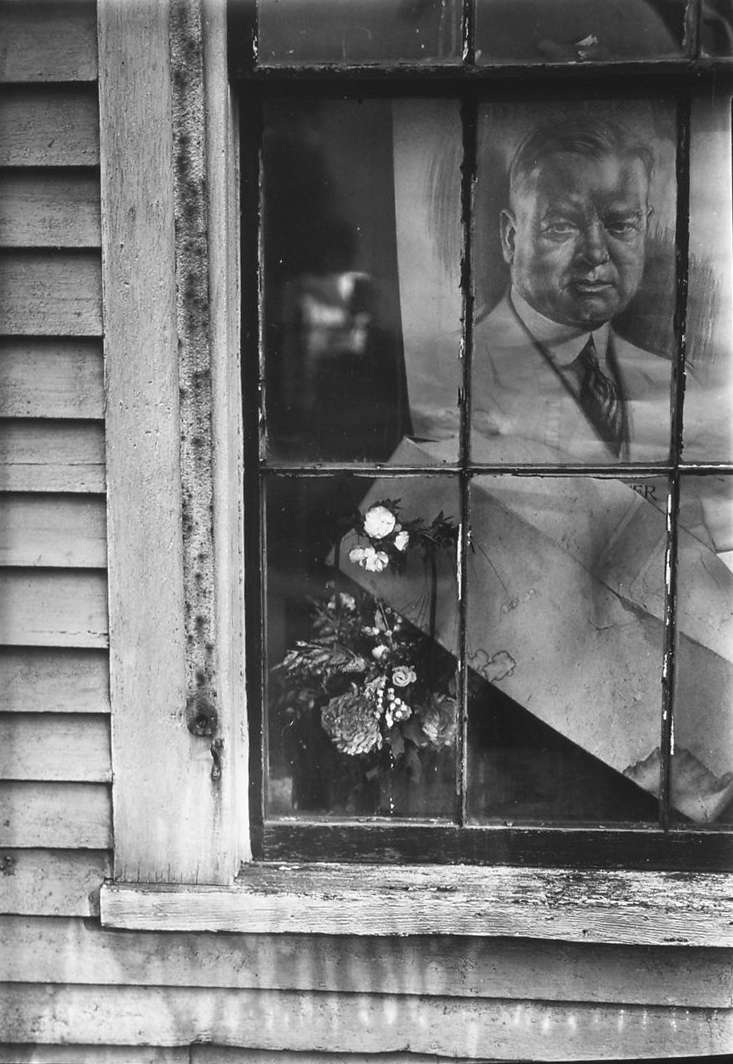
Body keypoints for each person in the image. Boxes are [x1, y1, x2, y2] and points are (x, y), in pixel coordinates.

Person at [472, 118, 672, 463]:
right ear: (510, 237)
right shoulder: (457, 376)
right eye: (562, 226)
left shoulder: (679, 385)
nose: (595, 253)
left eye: (621, 224)